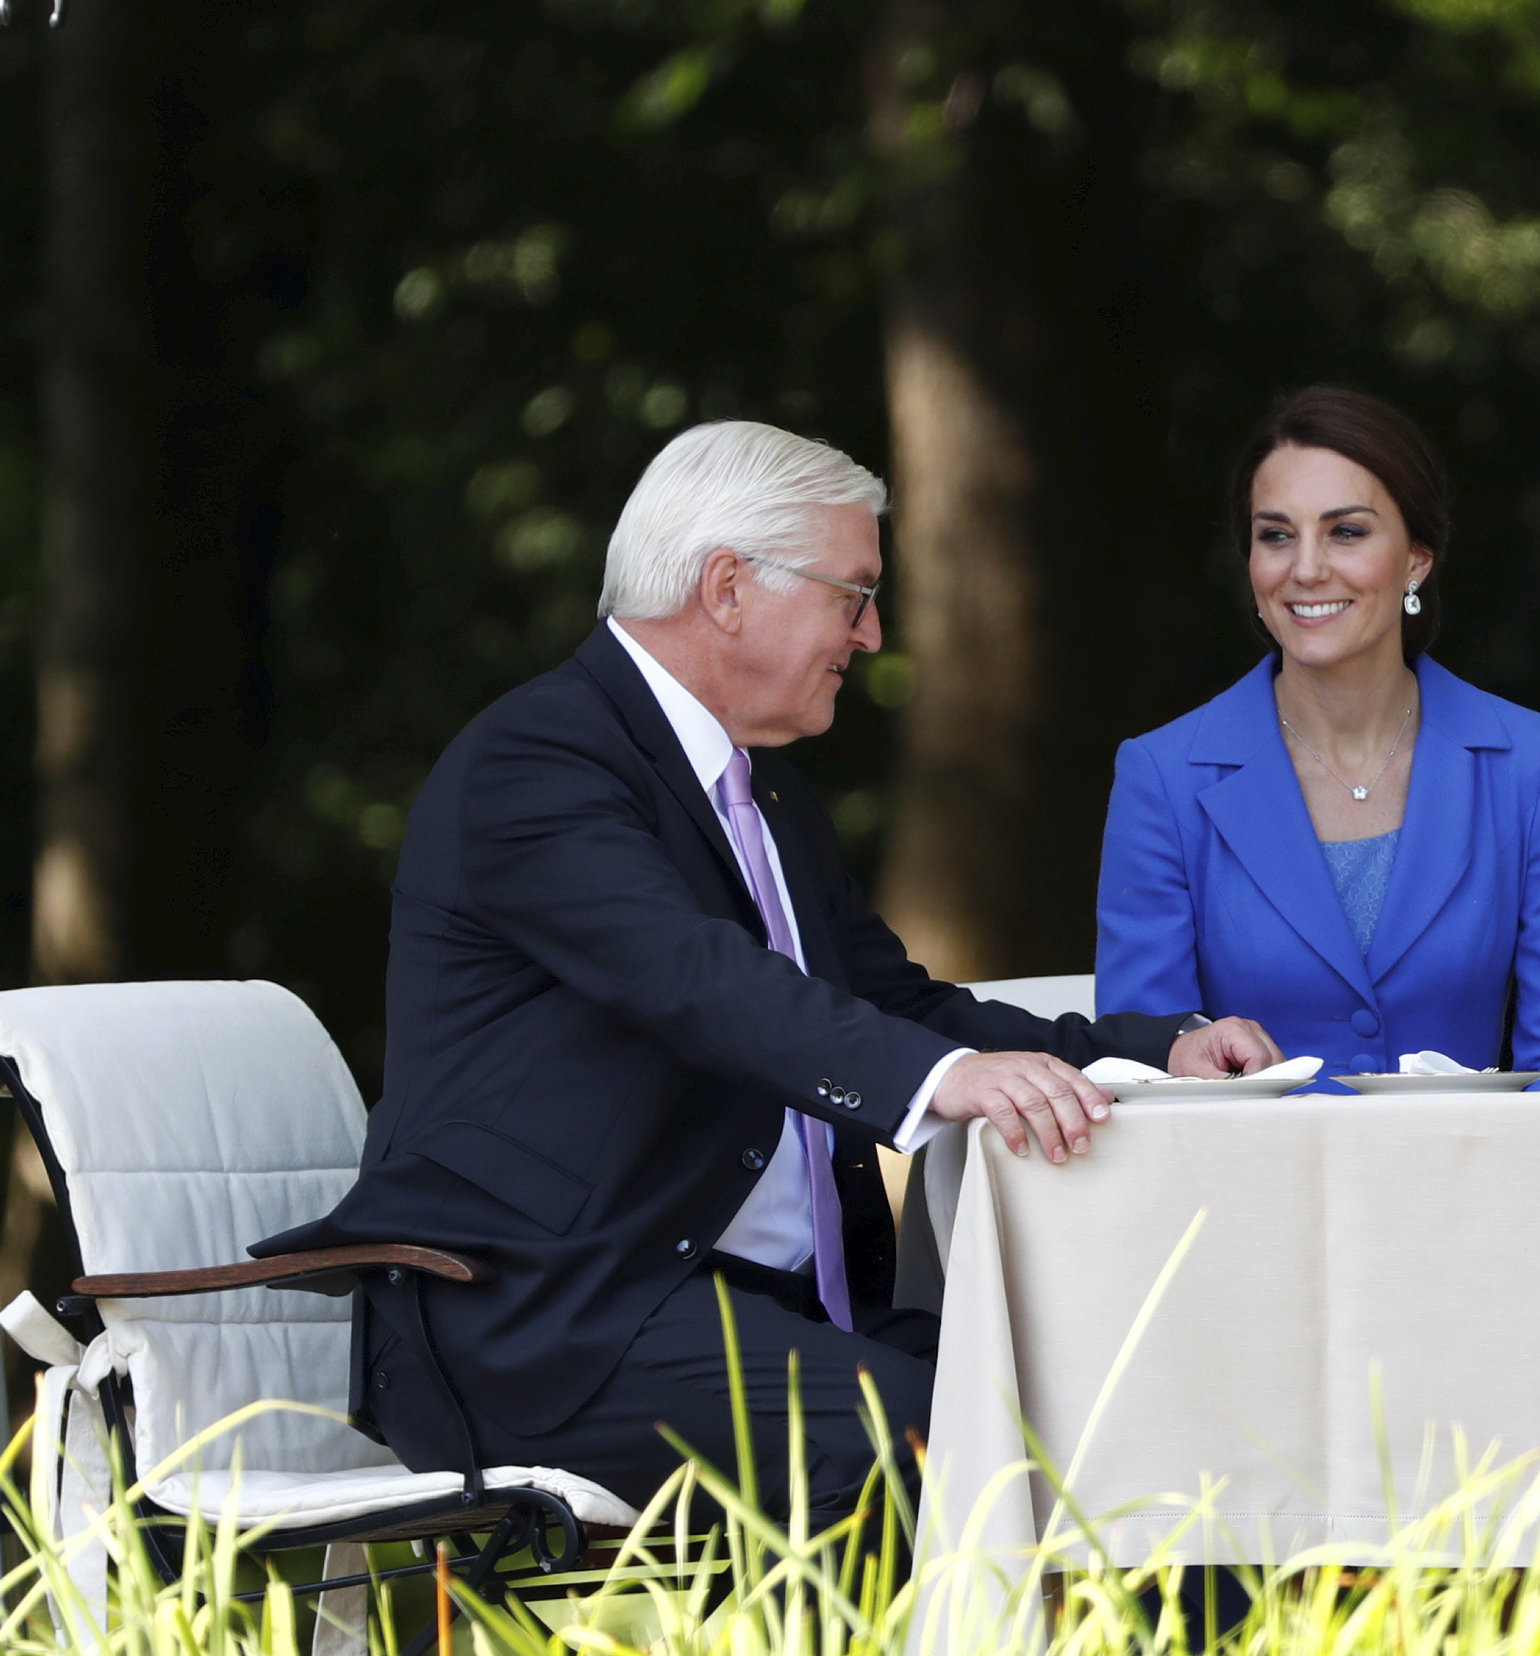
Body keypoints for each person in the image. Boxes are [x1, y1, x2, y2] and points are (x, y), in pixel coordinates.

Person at [256, 420, 1277, 1513]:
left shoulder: (764, 793)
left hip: (751, 1311)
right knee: (952, 1451)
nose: (875, 635)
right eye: (854, 595)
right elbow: (698, 982)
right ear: (728, 587)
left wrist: (1150, 1047)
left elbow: (895, 1003)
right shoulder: (537, 762)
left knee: (1130, 1414)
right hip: (554, 1321)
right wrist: (938, 1083)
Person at [1093, 387, 1540, 1091]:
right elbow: (1145, 1066)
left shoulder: (1530, 763)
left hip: (1473, 1186)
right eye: (1276, 535)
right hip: (1247, 1191)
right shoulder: (1162, 776)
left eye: (1346, 532)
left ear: (1417, 559)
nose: (1306, 569)